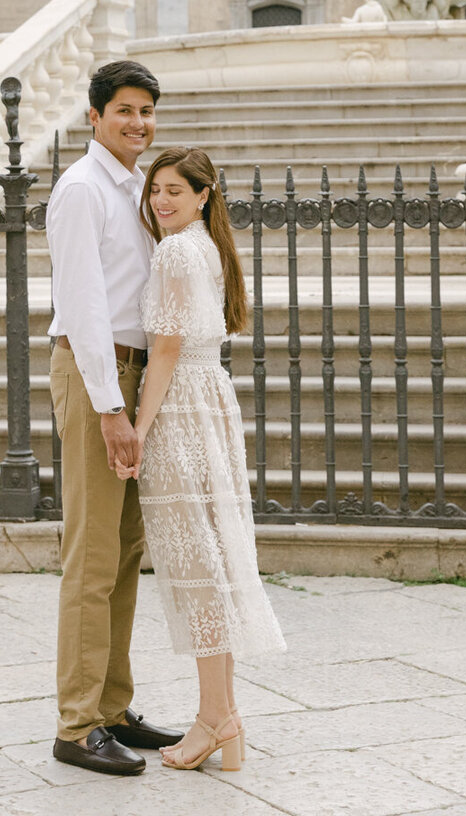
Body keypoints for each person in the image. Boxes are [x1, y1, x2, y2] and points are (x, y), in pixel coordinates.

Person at [125, 145, 285, 771]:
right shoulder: (209, 248)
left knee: (197, 568)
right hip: (209, 398)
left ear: (203, 195)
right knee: (209, 561)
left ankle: (217, 716)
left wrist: (138, 428)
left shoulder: (174, 250)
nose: (161, 199)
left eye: (174, 190)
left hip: (182, 408)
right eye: (156, 189)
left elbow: (164, 349)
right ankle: (222, 714)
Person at [47, 59, 182, 777]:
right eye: (125, 111)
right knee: (93, 556)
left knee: (126, 551)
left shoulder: (133, 187)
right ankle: (77, 723)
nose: (139, 123)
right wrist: (109, 408)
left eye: (147, 112)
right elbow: (85, 304)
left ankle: (112, 705)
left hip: (132, 375)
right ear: (94, 116)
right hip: (98, 374)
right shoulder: (81, 191)